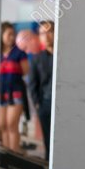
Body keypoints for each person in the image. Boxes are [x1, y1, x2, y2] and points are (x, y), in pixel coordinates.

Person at [0, 22, 29, 153]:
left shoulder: (19, 53)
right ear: (1, 35)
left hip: (16, 93)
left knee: (12, 125)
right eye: (8, 34)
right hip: (0, 93)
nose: (11, 37)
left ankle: (14, 154)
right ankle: (6, 157)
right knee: (3, 126)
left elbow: (26, 71)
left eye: (13, 34)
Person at [29, 20, 55, 161]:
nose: (46, 36)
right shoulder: (37, 59)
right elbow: (32, 83)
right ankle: (48, 168)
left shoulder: (65, 56)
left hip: (63, 104)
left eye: (49, 31)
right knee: (48, 139)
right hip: (45, 103)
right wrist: (37, 104)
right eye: (42, 33)